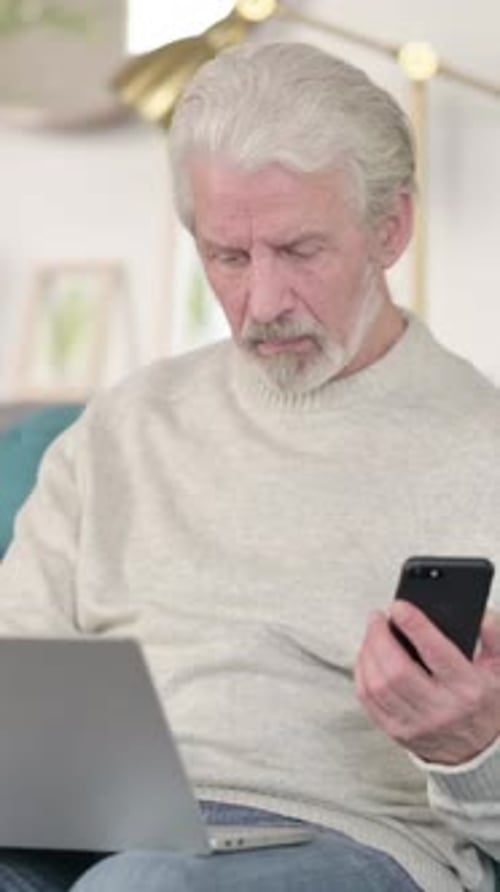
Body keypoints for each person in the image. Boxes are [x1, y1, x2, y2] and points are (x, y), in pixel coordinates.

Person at [0, 40, 499, 892]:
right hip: (88, 835)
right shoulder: (122, 425)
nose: (262, 304)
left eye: (300, 251)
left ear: (391, 227)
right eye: (229, 258)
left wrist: (474, 750)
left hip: (346, 842)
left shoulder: (482, 452)